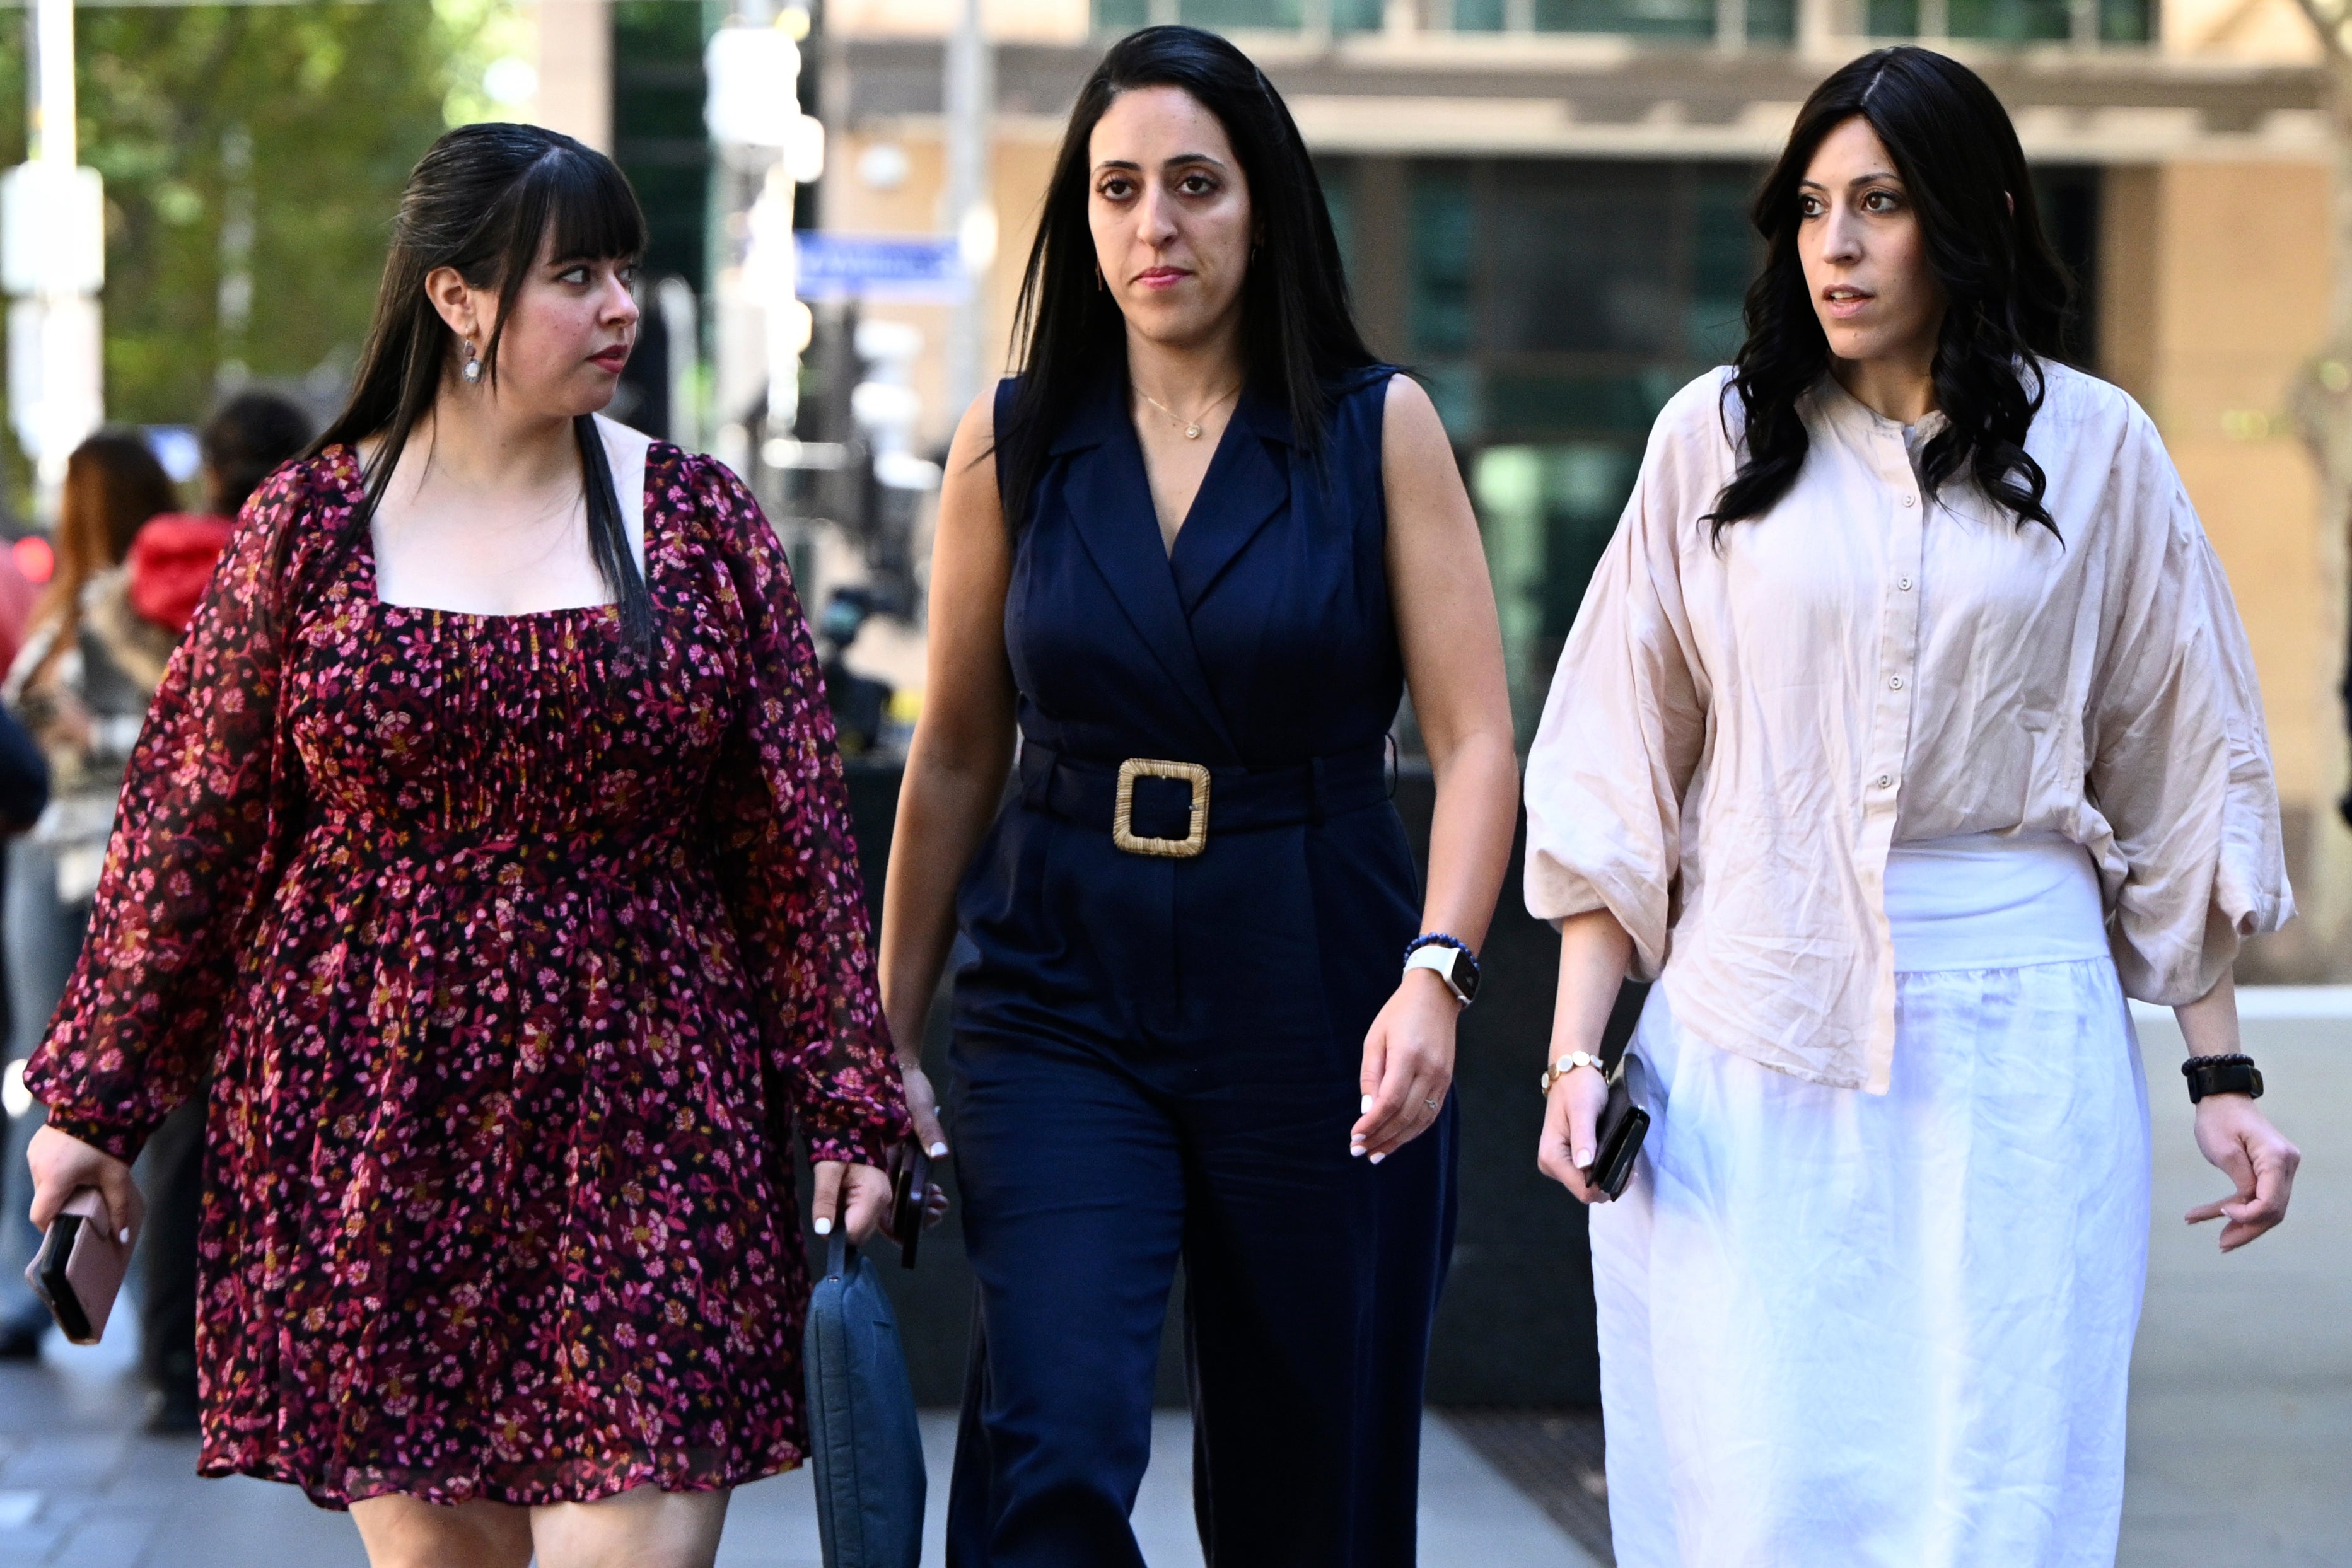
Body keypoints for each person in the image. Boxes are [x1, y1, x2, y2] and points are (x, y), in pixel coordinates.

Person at [20, 122, 911, 1568]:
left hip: (649, 1108)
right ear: (455, 298)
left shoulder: (693, 521)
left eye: (624, 269)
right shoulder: (310, 529)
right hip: (377, 1121)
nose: (620, 305)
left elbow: (793, 842)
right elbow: (190, 830)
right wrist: (98, 1102)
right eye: (577, 274)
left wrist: (854, 1099)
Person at [1525, 47, 2301, 1567]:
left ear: (1967, 217)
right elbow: (1624, 757)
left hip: (2014, 1053)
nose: (1833, 244)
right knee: (1757, 1495)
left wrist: (2222, 1077)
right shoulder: (1712, 439)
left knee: (1991, 1495)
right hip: (1750, 1032)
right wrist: (1571, 1049)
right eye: (1811, 206)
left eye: (1876, 203)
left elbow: (2173, 761)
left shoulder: (2099, 448)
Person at [879, 25, 1518, 1567]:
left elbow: (1481, 738)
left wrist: (1437, 975)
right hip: (1057, 975)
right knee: (1052, 1439)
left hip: (1315, 963)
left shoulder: (1378, 429)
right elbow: (958, 746)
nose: (1151, 225)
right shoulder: (1014, 439)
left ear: (1262, 205)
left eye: (1191, 184)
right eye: (1114, 189)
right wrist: (880, 1027)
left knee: (1314, 1473)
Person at [123, 390, 318, 1431]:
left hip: (166, 878)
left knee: (182, 1138)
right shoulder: (313, 552)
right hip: (291, 903)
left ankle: (171, 1364)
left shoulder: (137, 579)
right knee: (261, 1145)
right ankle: (253, 1351)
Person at [0, 430, 179, 1359]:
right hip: (56, 856)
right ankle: (36, 1276)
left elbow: (182, 736)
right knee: (40, 1074)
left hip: (116, 861)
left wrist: (84, 728)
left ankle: (122, 1289)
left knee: (103, 1079)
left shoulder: (141, 601)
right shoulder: (65, 600)